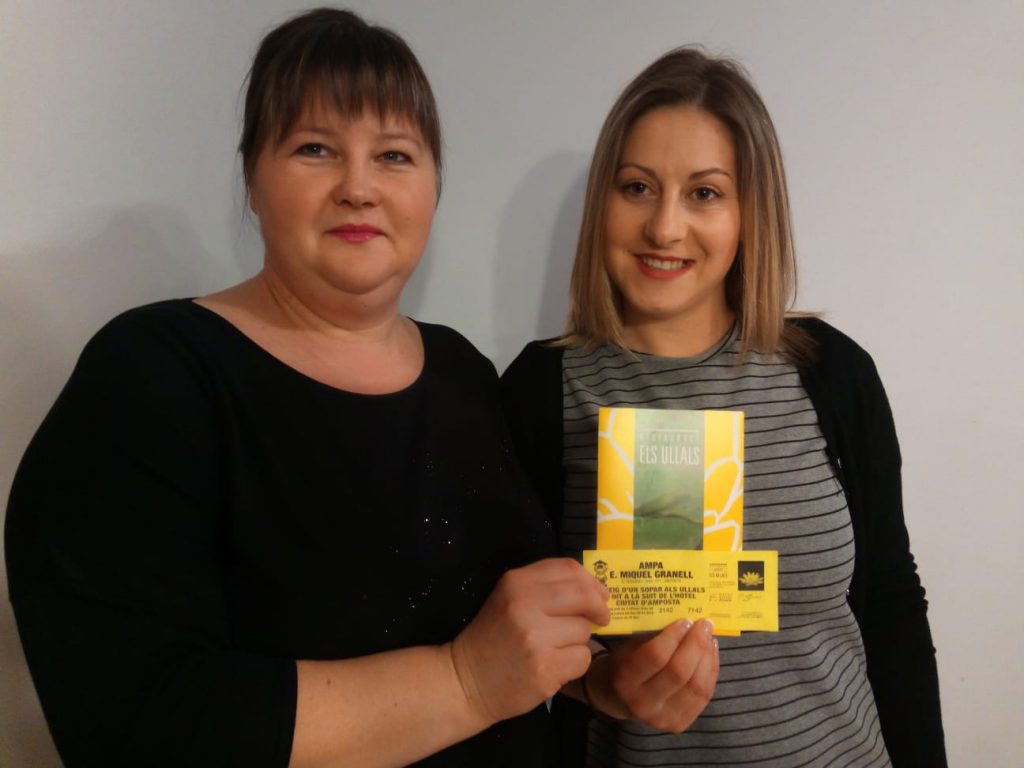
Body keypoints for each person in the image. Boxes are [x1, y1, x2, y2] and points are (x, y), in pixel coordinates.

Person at [4, 8, 611, 767]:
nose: (359, 187)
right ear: (253, 180)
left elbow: (512, 626)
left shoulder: (466, 371)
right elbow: (134, 720)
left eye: (394, 155)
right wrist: (465, 683)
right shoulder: (152, 374)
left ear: (434, 186)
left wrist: (597, 680)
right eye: (315, 148)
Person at [501, 47, 946, 767]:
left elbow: (892, 600)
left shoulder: (832, 374)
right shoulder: (538, 391)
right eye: (637, 187)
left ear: (748, 213)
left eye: (704, 193)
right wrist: (599, 682)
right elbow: (509, 642)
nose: (664, 227)